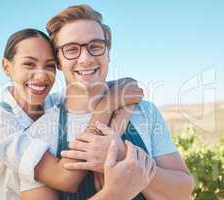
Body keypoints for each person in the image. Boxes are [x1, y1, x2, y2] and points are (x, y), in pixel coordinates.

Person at [21, 4, 194, 200]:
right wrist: (117, 191)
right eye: (71, 50)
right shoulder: (39, 134)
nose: (85, 59)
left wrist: (121, 156)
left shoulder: (144, 111)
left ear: (108, 53)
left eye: (95, 46)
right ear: (58, 62)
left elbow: (183, 190)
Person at [0, 28, 143, 200]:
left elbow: (129, 86)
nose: (41, 76)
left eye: (49, 65)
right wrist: (107, 106)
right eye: (29, 64)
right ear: (7, 67)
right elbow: (64, 178)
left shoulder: (55, 102)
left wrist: (115, 132)